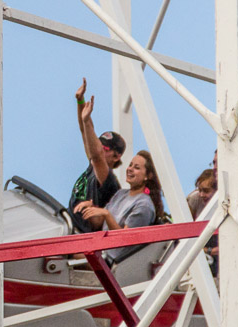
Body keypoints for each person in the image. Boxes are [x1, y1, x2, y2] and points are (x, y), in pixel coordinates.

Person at [73, 149, 166, 262]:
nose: (130, 169)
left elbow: (126, 239)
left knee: (69, 254)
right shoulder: (121, 194)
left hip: (114, 261)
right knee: (69, 247)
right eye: (130, 165)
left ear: (148, 176)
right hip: (101, 250)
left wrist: (107, 214)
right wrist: (89, 209)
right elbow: (98, 222)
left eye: (136, 168)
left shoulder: (144, 205)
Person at [68, 78, 126, 232]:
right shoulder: (93, 166)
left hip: (82, 236)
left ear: (116, 156)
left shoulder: (109, 181)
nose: (100, 149)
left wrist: (87, 121)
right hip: (69, 228)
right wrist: (80, 102)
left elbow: (97, 156)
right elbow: (84, 130)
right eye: (99, 144)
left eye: (105, 148)